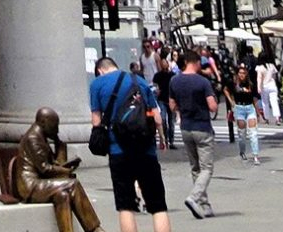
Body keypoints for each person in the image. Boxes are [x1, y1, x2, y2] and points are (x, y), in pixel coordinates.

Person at [90, 53, 172, 232]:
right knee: (158, 206)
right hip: (146, 149)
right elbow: (156, 117)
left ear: (100, 71)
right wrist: (162, 139)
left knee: (125, 206)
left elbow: (96, 119)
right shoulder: (139, 81)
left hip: (118, 150)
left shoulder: (97, 84)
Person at [167, 50, 220, 218]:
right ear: (196, 62)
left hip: (186, 127)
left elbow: (172, 105)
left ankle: (205, 205)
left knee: (195, 167)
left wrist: (183, 108)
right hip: (202, 127)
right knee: (207, 168)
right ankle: (194, 197)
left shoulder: (174, 81)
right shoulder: (202, 82)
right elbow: (212, 106)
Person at [230, 60, 261, 163]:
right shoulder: (234, 84)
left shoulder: (251, 84)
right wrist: (231, 102)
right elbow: (225, 90)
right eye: (240, 73)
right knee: (242, 134)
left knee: (253, 133)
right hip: (239, 108)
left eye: (243, 73)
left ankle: (255, 155)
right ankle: (242, 152)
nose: (242, 75)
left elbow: (255, 97)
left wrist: (258, 111)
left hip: (250, 108)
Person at [153, 54, 179, 150]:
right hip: (162, 99)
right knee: (163, 119)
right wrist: (156, 90)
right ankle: (165, 139)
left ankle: (171, 141)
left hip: (170, 99)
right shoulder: (158, 75)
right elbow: (155, 85)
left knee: (171, 122)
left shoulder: (172, 75)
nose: (164, 64)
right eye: (162, 63)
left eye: (165, 63)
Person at [257, 58, 281, 125]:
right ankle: (277, 118)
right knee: (274, 102)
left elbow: (259, 78)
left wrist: (258, 87)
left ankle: (267, 118)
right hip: (272, 85)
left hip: (264, 86)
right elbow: (274, 77)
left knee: (265, 103)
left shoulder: (260, 68)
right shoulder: (272, 66)